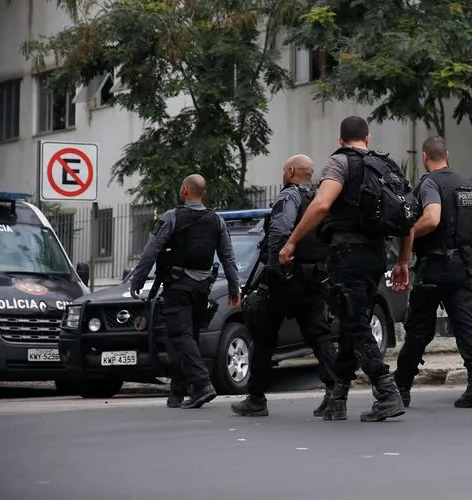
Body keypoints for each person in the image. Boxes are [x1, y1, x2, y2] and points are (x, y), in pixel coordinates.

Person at [279, 116, 413, 422]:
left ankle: (386, 390)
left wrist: (291, 243)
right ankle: (337, 398)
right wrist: (404, 261)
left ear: (341, 140)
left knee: (354, 324)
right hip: (377, 256)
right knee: (356, 323)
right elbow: (408, 218)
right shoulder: (387, 167)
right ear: (368, 138)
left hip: (347, 256)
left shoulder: (339, 163)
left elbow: (322, 204)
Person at [232, 154, 341, 418]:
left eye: (284, 169)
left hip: (286, 279)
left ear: (290, 171)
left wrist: (275, 270)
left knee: (263, 334)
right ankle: (335, 393)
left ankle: (256, 398)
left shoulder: (289, 196)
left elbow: (280, 233)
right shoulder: (321, 198)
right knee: (319, 335)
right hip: (314, 277)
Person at [392, 136, 472, 409]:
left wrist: (408, 232)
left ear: (425, 157)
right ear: (446, 154)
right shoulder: (466, 183)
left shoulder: (430, 183)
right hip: (463, 264)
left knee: (419, 328)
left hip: (435, 266)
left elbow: (433, 217)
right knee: (466, 323)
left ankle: (402, 387)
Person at [129, 174, 240, 410]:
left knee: (180, 337)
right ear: (203, 193)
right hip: (202, 289)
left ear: (185, 191)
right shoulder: (216, 221)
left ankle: (203, 385)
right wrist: (234, 287)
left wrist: (137, 279)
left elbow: (151, 251)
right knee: (189, 338)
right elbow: (228, 257)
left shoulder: (172, 217)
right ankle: (177, 394)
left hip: (178, 287)